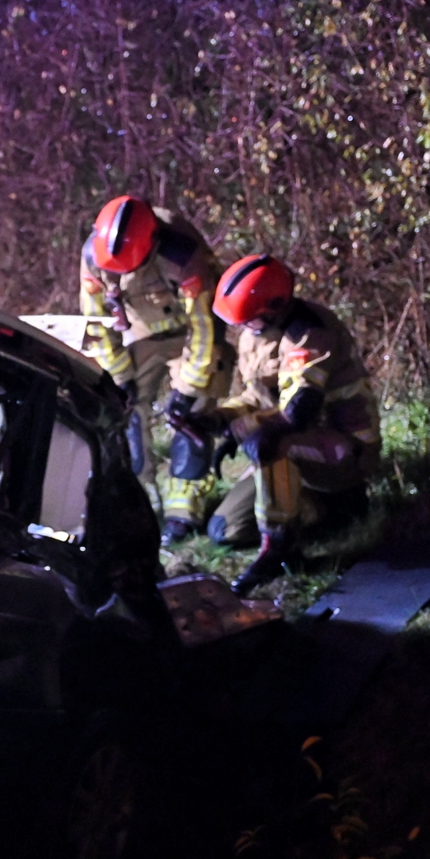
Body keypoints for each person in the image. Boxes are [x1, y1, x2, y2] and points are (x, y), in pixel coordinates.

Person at [207, 253, 381, 595]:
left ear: (273, 307)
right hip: (303, 445)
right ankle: (331, 508)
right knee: (225, 529)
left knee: (272, 444)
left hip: (343, 447)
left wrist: (249, 432)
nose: (242, 328)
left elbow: (297, 411)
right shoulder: (257, 333)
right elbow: (257, 398)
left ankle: (280, 545)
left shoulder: (310, 333)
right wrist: (218, 419)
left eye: (249, 320)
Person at [77, 195, 231, 543]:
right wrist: (120, 378)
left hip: (189, 331)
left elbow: (205, 327)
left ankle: (183, 508)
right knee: (124, 411)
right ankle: (141, 499)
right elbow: (98, 324)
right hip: (139, 330)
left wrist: (187, 389)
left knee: (194, 407)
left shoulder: (183, 254)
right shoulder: (94, 256)